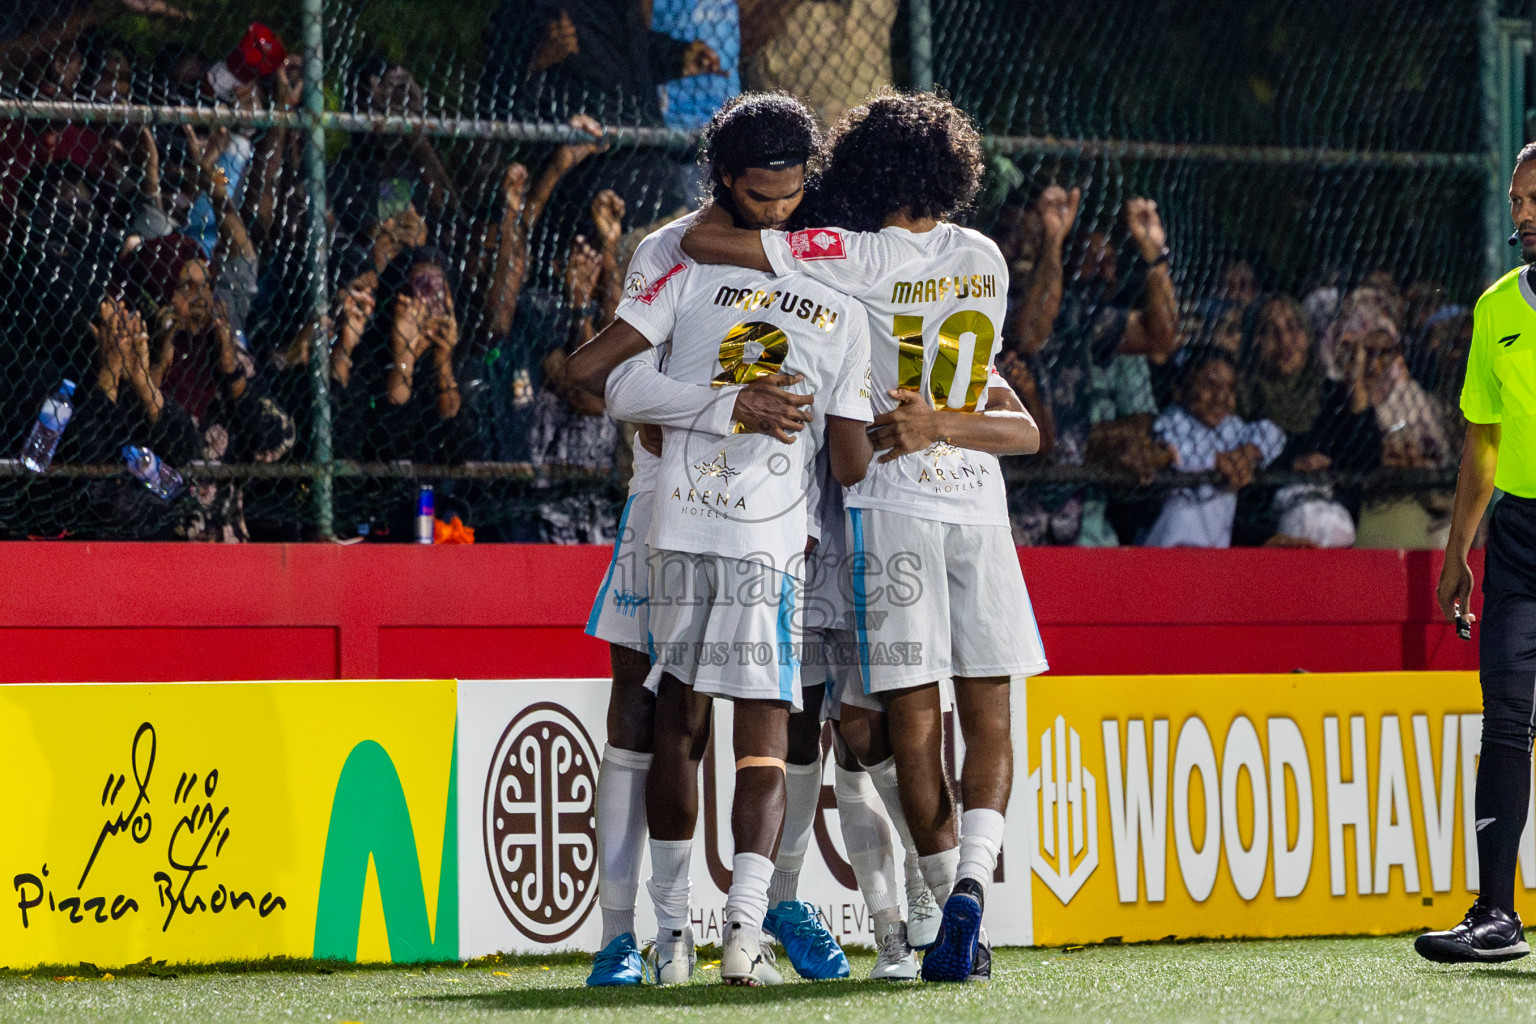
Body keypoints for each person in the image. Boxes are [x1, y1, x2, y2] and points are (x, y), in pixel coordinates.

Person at [679, 89, 1045, 983]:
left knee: (905, 725)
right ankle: (964, 894)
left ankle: (917, 911)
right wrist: (948, 422)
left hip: (887, 502)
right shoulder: (986, 258)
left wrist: (731, 203)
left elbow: (709, 243)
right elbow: (1004, 406)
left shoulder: (852, 256)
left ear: (861, 168)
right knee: (989, 718)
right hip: (981, 503)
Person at [567, 93, 855, 987]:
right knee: (649, 720)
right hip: (665, 510)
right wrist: (716, 409)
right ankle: (636, 935)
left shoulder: (822, 266)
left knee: (783, 717)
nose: (779, 211)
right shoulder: (668, 251)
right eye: (762, 196)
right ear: (724, 179)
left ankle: (768, 909)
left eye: (792, 195)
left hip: (775, 527)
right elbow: (607, 382)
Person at [1415, 141, 1536, 964]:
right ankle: (1496, 914)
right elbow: (1481, 445)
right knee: (1506, 719)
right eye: (1516, 201)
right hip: (1520, 539)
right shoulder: (1497, 307)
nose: (1522, 215)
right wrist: (1458, 551)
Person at [1142, 349, 1284, 548]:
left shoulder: (1229, 426)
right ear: (1179, 389)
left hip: (1213, 547)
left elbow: (1274, 434)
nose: (1221, 398)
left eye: (1230, 389)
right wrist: (1216, 461)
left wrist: (1247, 453)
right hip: (1168, 544)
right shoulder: (1172, 420)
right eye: (1209, 385)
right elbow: (1173, 451)